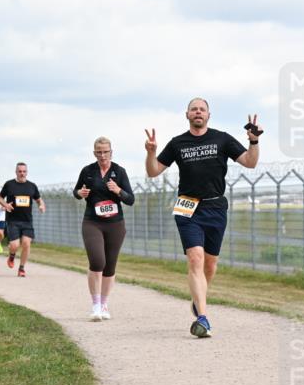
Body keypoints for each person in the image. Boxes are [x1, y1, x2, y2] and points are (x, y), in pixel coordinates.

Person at [144, 98, 261, 337]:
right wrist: (151, 152)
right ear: (187, 114)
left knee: (210, 264)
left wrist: (254, 141)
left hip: (215, 207)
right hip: (187, 207)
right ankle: (203, 318)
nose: (198, 112)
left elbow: (250, 162)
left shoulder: (222, 139)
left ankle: (199, 299)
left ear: (209, 115)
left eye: (202, 109)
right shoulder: (178, 143)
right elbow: (153, 171)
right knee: (195, 258)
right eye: (194, 109)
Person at [74, 136, 135, 320]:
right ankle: (95, 305)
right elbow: (76, 191)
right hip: (92, 221)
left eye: (105, 152)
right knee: (97, 261)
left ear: (111, 152)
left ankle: (104, 305)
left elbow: (130, 199)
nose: (102, 156)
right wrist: (80, 193)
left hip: (115, 224)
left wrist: (118, 191)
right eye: (99, 152)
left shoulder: (119, 171)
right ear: (94, 153)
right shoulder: (87, 171)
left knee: (110, 266)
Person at [0, 162, 45, 278]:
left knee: (26, 243)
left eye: (24, 171)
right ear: (16, 172)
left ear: (27, 172)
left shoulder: (32, 186)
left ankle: (21, 268)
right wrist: (6, 205)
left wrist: (41, 206)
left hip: (27, 221)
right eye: (20, 171)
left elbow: (39, 200)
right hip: (13, 220)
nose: (22, 173)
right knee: (14, 245)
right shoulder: (9, 184)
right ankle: (12, 255)